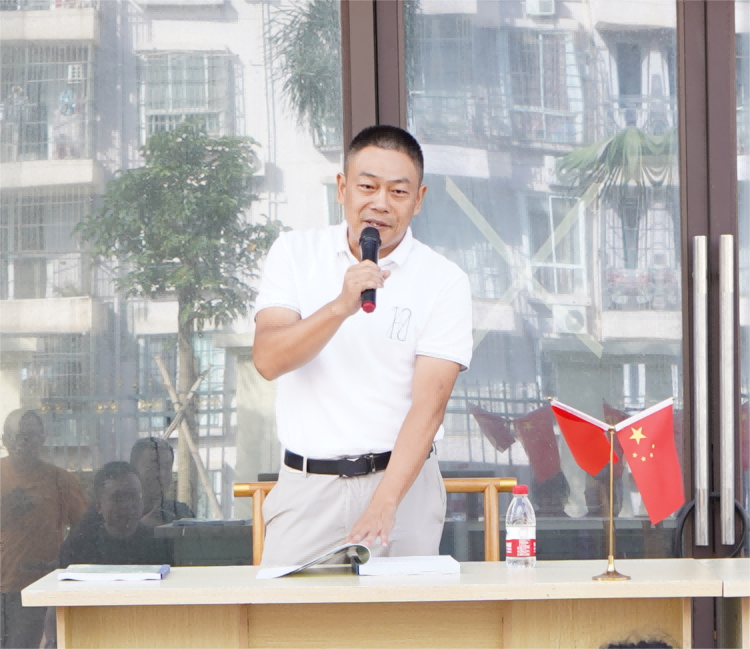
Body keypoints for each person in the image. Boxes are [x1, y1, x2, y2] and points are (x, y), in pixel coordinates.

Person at [253, 125, 473, 566]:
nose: (381, 203)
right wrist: (340, 306)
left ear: (419, 199)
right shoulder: (294, 253)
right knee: (288, 611)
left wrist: (386, 501)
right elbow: (268, 360)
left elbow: (429, 406)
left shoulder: (444, 280)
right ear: (342, 188)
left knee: (401, 613)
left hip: (402, 488)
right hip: (308, 486)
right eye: (368, 187)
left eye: (398, 191)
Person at [0, 409, 86, 649]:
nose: (23, 443)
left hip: (36, 589)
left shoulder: (60, 481)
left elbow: (84, 532)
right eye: (16, 436)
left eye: (30, 436)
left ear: (43, 439)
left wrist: (61, 564)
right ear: (4, 440)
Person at [58, 462, 172, 567]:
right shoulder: (78, 547)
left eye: (133, 496)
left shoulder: (158, 545)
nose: (127, 505)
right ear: (99, 506)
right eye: (118, 498)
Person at [129, 437, 194, 526]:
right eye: (154, 466)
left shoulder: (181, 512)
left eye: (167, 467)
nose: (161, 474)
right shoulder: (121, 512)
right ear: (134, 469)